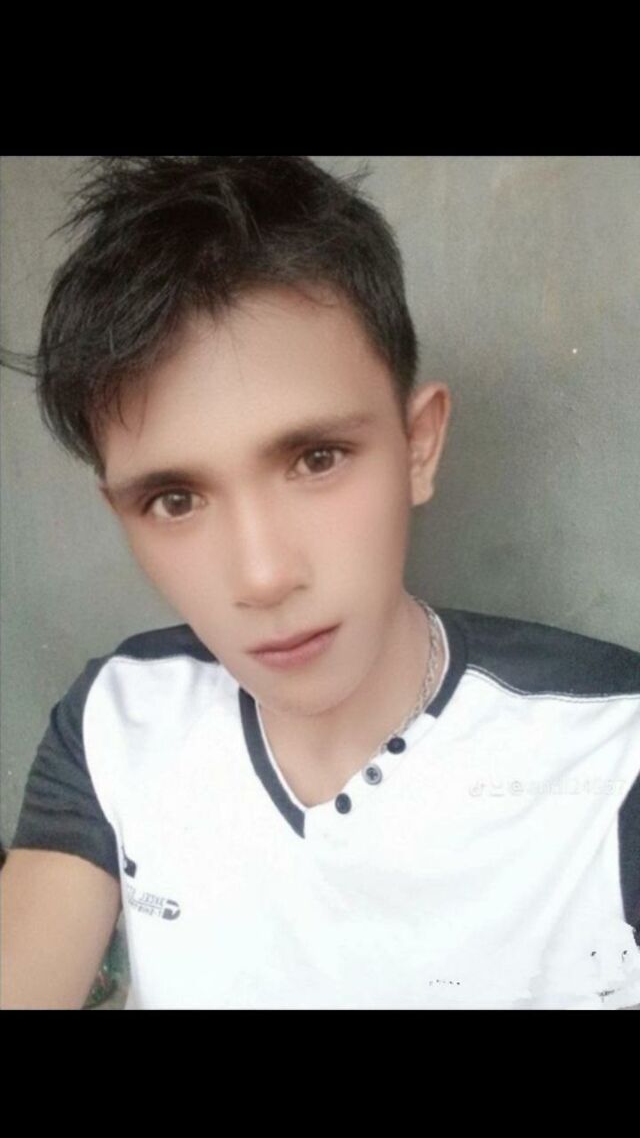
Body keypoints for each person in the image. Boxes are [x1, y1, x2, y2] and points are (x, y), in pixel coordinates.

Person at [1, 155, 639, 1011]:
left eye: (317, 458)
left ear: (418, 447)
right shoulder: (117, 720)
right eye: (175, 499)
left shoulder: (613, 751)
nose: (263, 576)